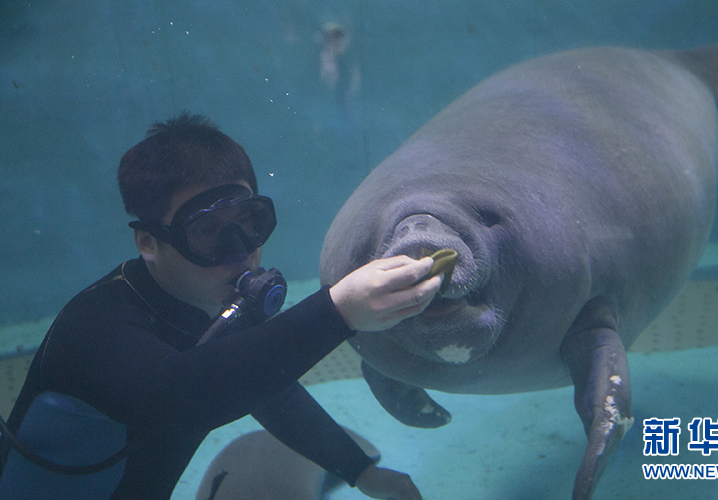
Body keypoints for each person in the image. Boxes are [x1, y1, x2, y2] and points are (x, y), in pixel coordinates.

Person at [0, 113, 442, 499]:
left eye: (249, 222)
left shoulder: (209, 304)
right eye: (207, 232)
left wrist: (359, 470)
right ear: (148, 242)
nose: (240, 251)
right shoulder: (97, 328)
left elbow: (265, 387)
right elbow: (182, 396)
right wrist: (336, 312)